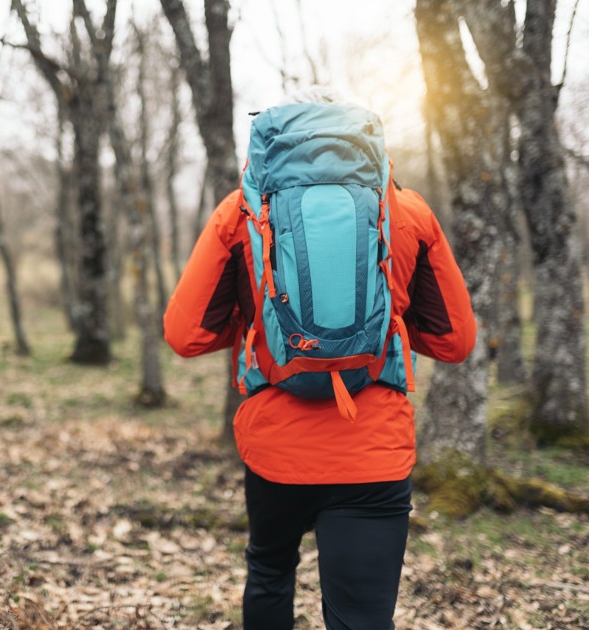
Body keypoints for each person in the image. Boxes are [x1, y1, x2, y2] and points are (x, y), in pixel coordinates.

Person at [163, 87, 476, 629]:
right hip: (373, 450)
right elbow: (456, 342)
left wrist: (258, 323)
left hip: (277, 448)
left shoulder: (241, 214)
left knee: (269, 573)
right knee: (361, 618)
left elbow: (185, 334)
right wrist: (385, 324)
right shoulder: (405, 212)